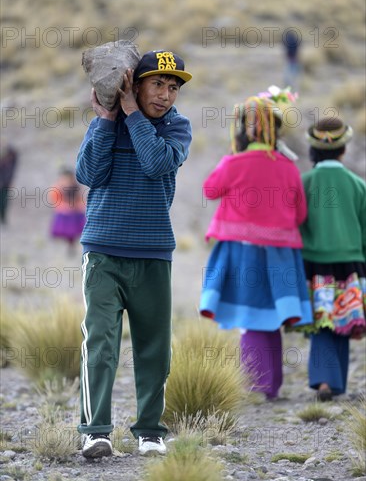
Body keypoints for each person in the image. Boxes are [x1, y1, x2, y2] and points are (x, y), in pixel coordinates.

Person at [76, 50, 192, 458]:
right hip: (103, 253)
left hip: (153, 254)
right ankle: (95, 432)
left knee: (153, 347)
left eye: (173, 87)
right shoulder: (104, 124)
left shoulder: (177, 128)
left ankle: (149, 432)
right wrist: (108, 120)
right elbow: (88, 174)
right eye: (157, 84)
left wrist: (133, 115)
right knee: (100, 343)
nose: (165, 95)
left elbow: (156, 162)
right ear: (134, 83)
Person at [200, 90, 312, 400]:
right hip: (280, 255)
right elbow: (301, 212)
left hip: (242, 252)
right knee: (270, 319)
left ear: (244, 129)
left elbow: (210, 190)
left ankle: (255, 385)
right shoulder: (289, 167)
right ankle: (271, 386)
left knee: (249, 320)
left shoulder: (235, 163)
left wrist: (230, 158)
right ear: (276, 130)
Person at [300, 117, 366, 401]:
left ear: (313, 150)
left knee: (322, 321)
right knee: (344, 319)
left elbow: (296, 224)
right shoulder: (358, 184)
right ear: (343, 149)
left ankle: (326, 380)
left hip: (313, 263)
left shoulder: (304, 182)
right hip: (351, 264)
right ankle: (334, 382)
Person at [49, 167, 86, 255]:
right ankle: (65, 246)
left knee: (74, 231)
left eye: (69, 178)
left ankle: (71, 245)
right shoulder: (56, 188)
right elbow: (55, 201)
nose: (67, 181)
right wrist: (64, 207)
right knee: (64, 231)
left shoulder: (75, 187)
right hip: (64, 215)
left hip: (75, 214)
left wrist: (80, 206)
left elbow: (80, 199)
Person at [0, 143, 18, 224]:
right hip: (3, 184)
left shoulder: (11, 162)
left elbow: (15, 155)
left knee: (4, 203)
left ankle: (3, 219)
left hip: (5, 185)